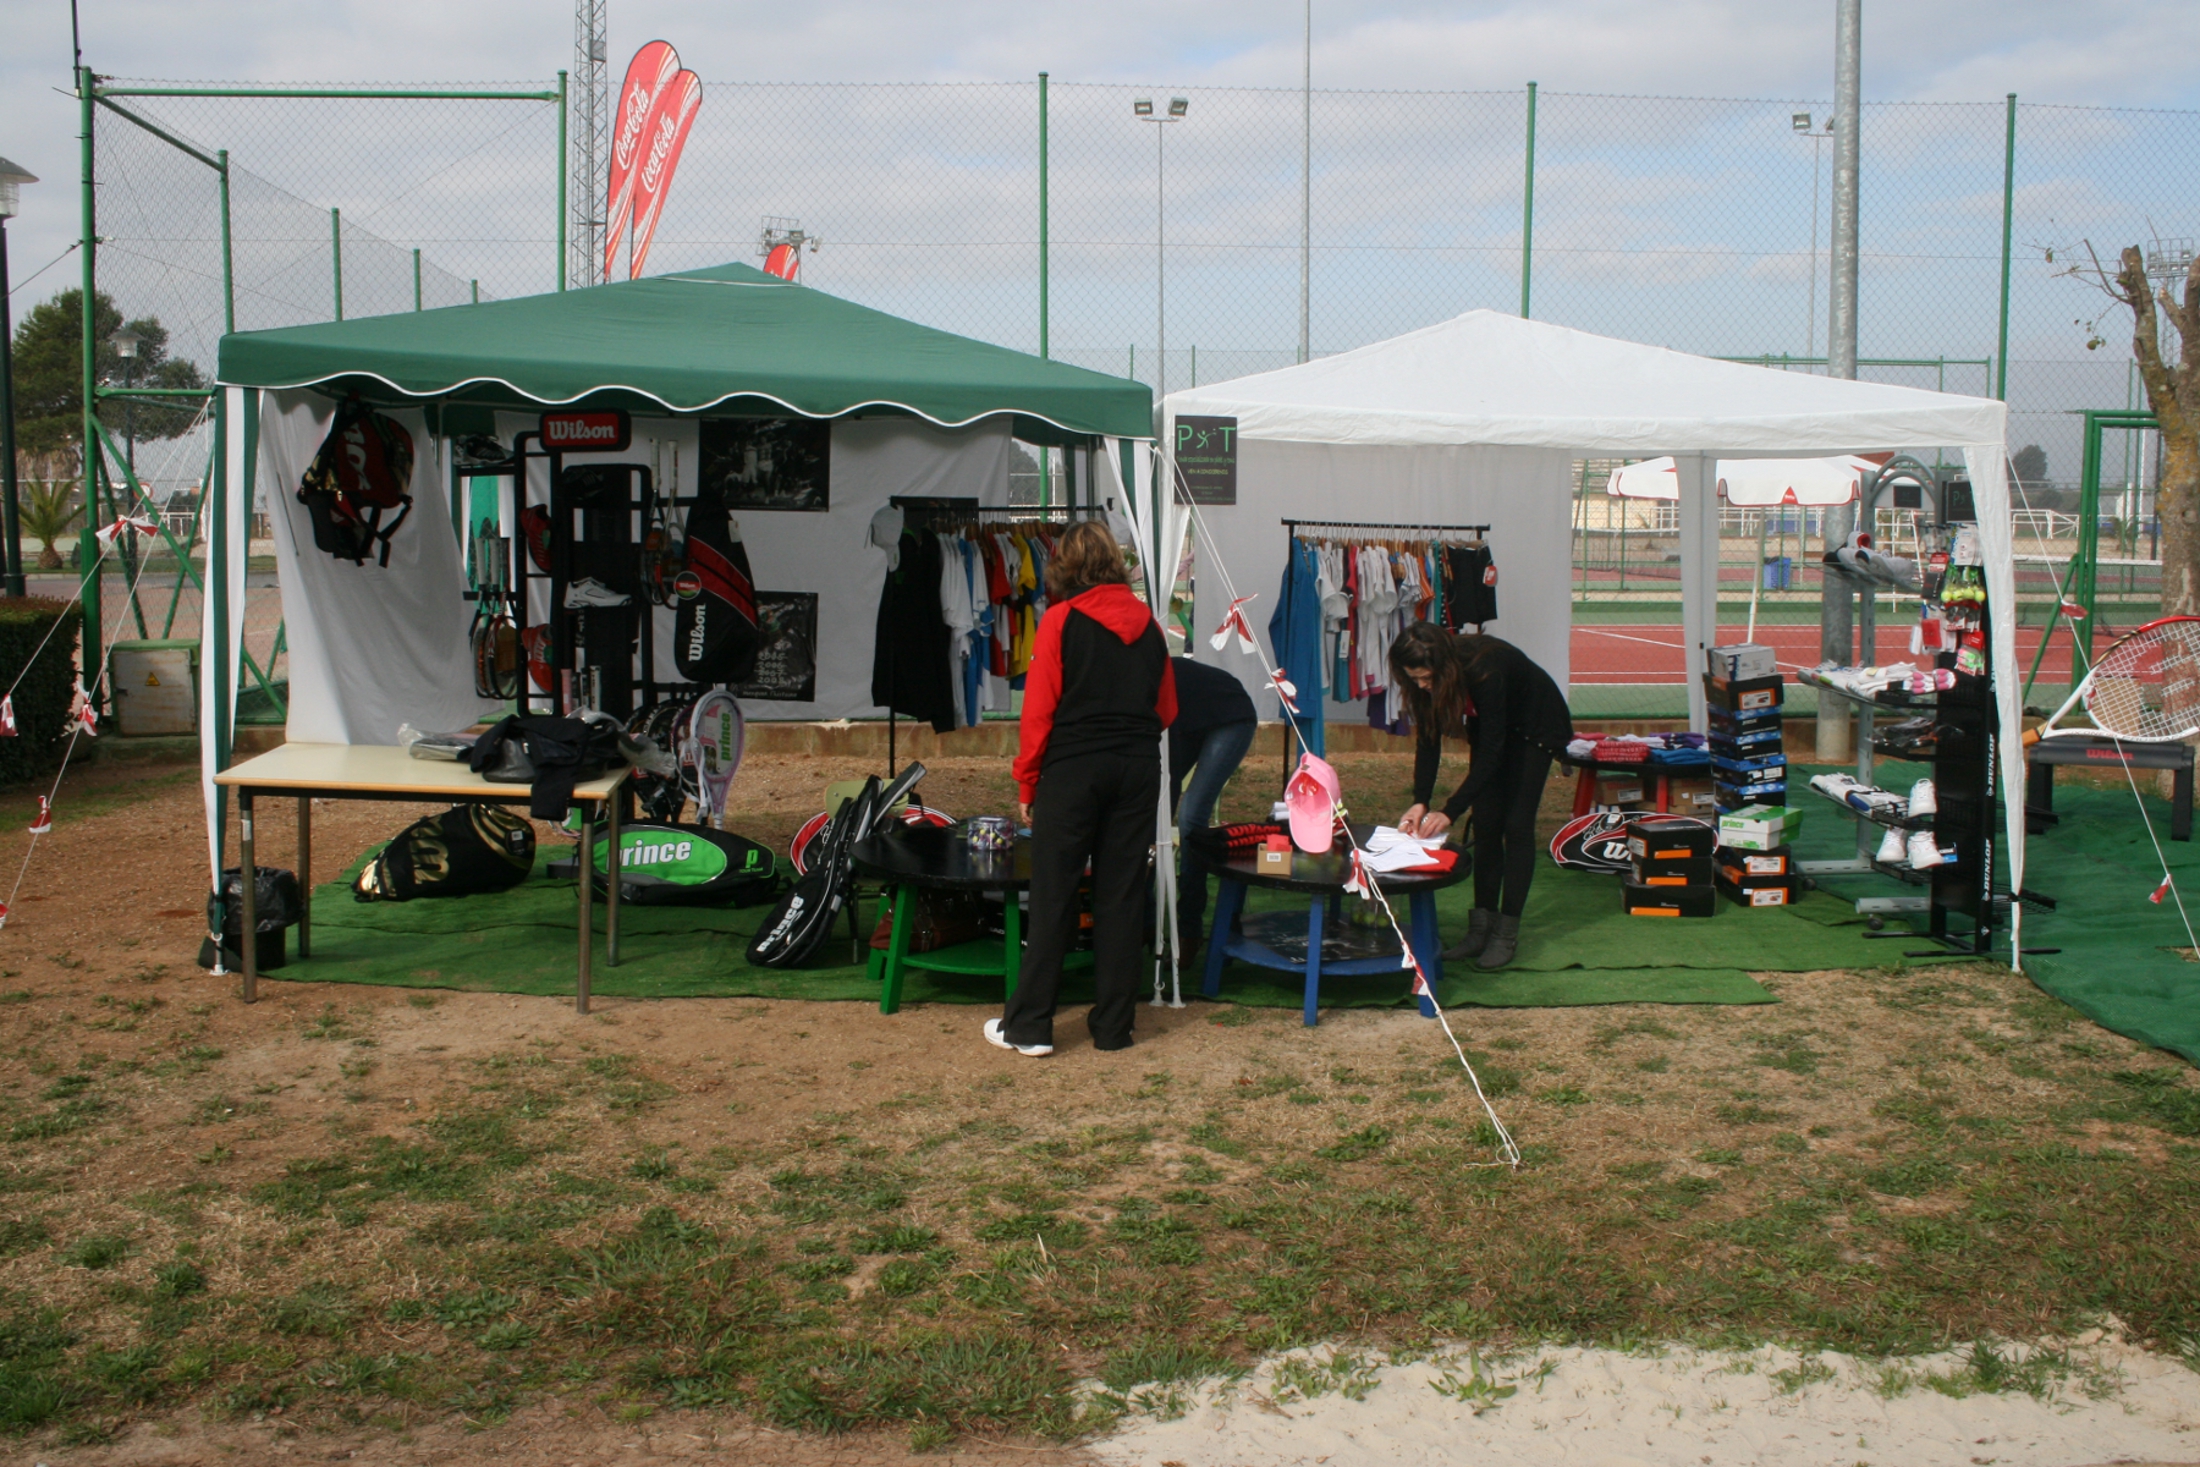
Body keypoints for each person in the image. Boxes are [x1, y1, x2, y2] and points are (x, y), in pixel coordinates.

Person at [988, 521, 1177, 1057]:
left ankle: (1030, 1027)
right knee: (1122, 895)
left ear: (1064, 567)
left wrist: (1028, 780)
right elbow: (1166, 709)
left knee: (1055, 894)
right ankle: (1114, 1028)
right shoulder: (1151, 626)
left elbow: (1038, 711)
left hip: (1073, 769)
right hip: (1137, 768)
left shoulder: (1060, 619)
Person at [1389, 623, 1572, 970]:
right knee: (1486, 822)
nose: (1422, 685)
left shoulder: (1487, 671)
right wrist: (1421, 800)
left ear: (1444, 667)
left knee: (1516, 826)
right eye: (1414, 679)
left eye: (1426, 678)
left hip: (1536, 725)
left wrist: (1450, 811)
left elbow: (1492, 754)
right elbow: (1428, 739)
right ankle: (1480, 929)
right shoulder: (1427, 680)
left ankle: (1505, 933)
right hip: (1494, 725)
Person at [1167, 656, 1259, 951]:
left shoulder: (1153, 685)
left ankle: (1189, 926)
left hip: (1231, 715)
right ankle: (1147, 919)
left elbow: (1167, 780)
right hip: (1192, 720)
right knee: (1153, 816)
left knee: (1190, 817)